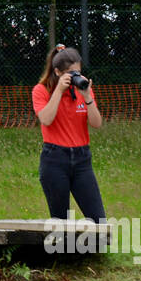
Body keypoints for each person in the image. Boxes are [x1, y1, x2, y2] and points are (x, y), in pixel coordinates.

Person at [32, 44, 105, 222]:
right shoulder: (41, 91)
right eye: (71, 74)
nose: (76, 77)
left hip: (82, 160)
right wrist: (59, 91)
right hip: (55, 159)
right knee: (61, 222)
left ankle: (91, 249)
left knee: (99, 221)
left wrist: (87, 96)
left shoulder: (82, 90)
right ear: (58, 72)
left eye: (78, 72)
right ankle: (65, 250)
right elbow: (46, 119)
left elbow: (96, 123)